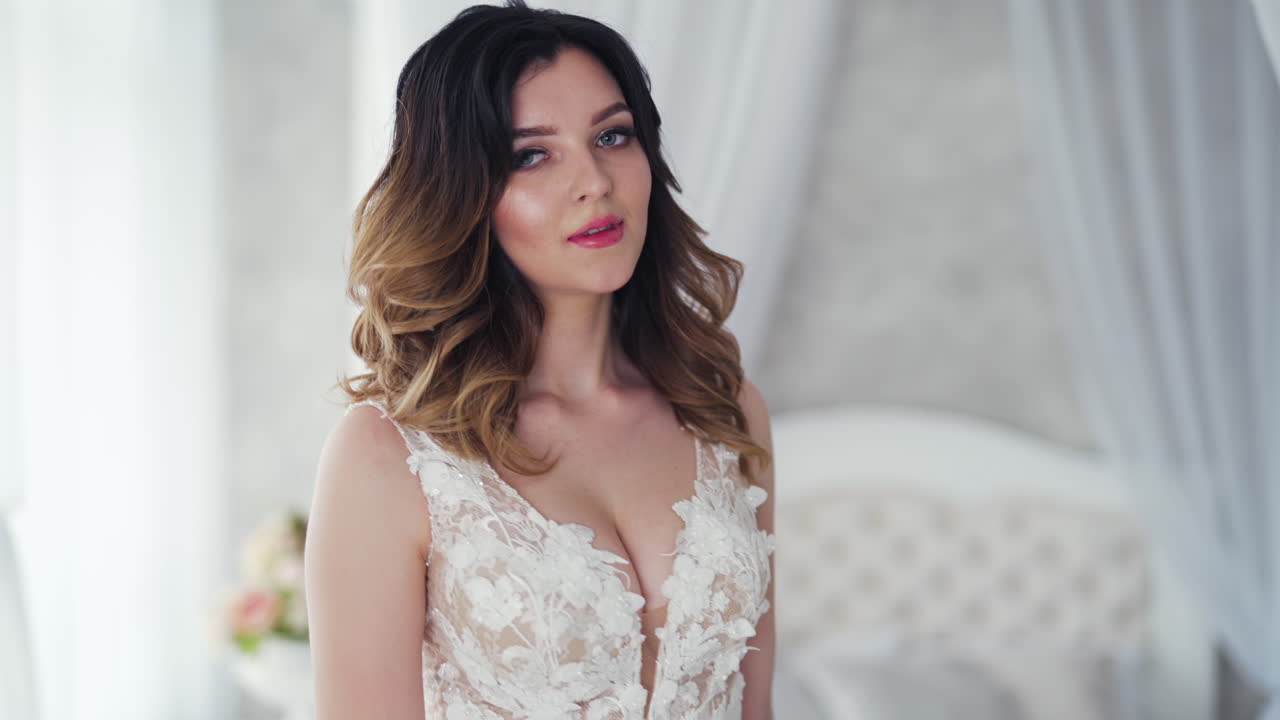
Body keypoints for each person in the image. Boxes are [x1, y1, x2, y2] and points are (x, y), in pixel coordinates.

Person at [305, 2, 776, 718]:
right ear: (462, 193)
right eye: (531, 154)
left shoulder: (723, 407)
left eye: (613, 135)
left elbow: (755, 706)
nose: (595, 180)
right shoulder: (387, 455)